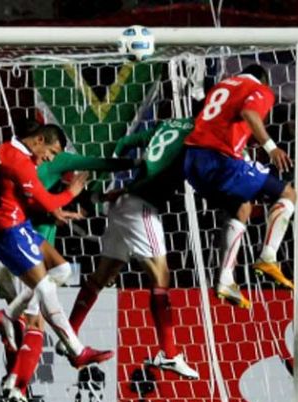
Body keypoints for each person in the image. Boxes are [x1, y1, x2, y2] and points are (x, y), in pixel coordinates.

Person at [0, 122, 114, 402]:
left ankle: (6, 321)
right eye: (51, 152)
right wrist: (72, 192)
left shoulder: (10, 152)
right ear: (39, 140)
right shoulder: (16, 159)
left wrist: (53, 210)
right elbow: (46, 200)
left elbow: (31, 202)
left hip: (16, 226)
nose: (51, 159)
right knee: (43, 294)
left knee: (61, 270)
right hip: (7, 230)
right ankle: (76, 351)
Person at [67, 117, 199, 380]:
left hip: (124, 205)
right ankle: (169, 354)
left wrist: (109, 181)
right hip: (141, 205)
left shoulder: (170, 125)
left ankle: (68, 335)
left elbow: (126, 141)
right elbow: (158, 172)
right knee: (161, 277)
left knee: (102, 275)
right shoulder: (200, 133)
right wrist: (127, 187)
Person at [184, 64, 296, 309]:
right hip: (221, 162)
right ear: (264, 81)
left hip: (192, 163)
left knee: (241, 208)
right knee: (288, 193)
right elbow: (250, 114)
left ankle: (225, 279)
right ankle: (268, 257)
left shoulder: (220, 87)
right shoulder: (260, 90)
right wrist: (271, 147)